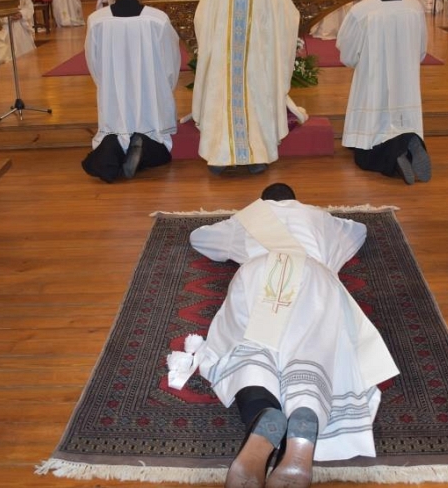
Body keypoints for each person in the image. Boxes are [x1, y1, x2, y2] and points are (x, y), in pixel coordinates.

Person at [168, 182, 400, 488]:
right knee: (314, 347)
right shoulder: (318, 216)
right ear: (296, 200)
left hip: (259, 273)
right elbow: (359, 231)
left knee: (249, 345)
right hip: (314, 274)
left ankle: (262, 409)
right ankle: (305, 414)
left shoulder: (247, 218)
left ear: (262, 201)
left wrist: (238, 222)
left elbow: (199, 238)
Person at [192, 0, 308, 175]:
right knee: (257, 98)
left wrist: (214, 47)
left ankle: (218, 156)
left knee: (222, 95)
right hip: (259, 62)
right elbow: (289, 21)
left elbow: (200, 21)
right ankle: (258, 156)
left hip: (223, 64)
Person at [81, 0, 181, 183]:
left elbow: (93, 62)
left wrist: (106, 85)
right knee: (160, 150)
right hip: (150, 99)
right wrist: (163, 90)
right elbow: (170, 64)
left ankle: (112, 147)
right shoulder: (157, 20)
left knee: (113, 131)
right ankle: (143, 145)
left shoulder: (97, 21)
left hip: (113, 98)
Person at [336, 0, 430, 185]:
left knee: (366, 149)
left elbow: (347, 51)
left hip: (373, 78)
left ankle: (394, 156)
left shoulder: (362, 10)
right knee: (401, 120)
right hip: (406, 78)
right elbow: (422, 49)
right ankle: (408, 142)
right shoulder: (414, 6)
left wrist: (356, 62)